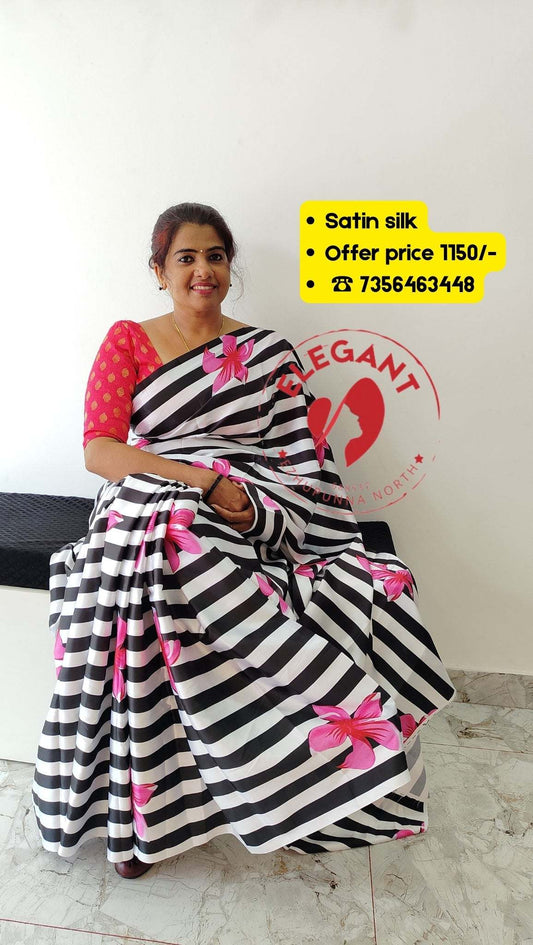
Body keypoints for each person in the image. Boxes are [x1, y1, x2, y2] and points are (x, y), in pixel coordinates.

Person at [32, 202, 455, 880]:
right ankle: (143, 810)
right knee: (163, 535)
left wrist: (242, 499)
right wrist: (196, 480)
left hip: (247, 502)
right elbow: (102, 451)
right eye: (186, 257)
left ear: (229, 267)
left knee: (187, 549)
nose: (203, 270)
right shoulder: (128, 341)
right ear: (159, 271)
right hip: (149, 486)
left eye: (215, 256)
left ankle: (283, 773)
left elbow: (302, 462)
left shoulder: (267, 352)